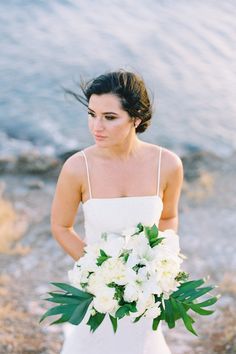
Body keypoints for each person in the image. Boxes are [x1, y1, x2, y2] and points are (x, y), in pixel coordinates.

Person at [50, 69, 183, 354]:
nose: (96, 126)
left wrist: (158, 263)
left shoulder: (168, 164)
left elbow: (169, 217)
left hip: (144, 292)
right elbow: (61, 227)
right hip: (99, 292)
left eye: (109, 117)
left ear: (136, 118)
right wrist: (99, 271)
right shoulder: (76, 168)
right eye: (91, 113)